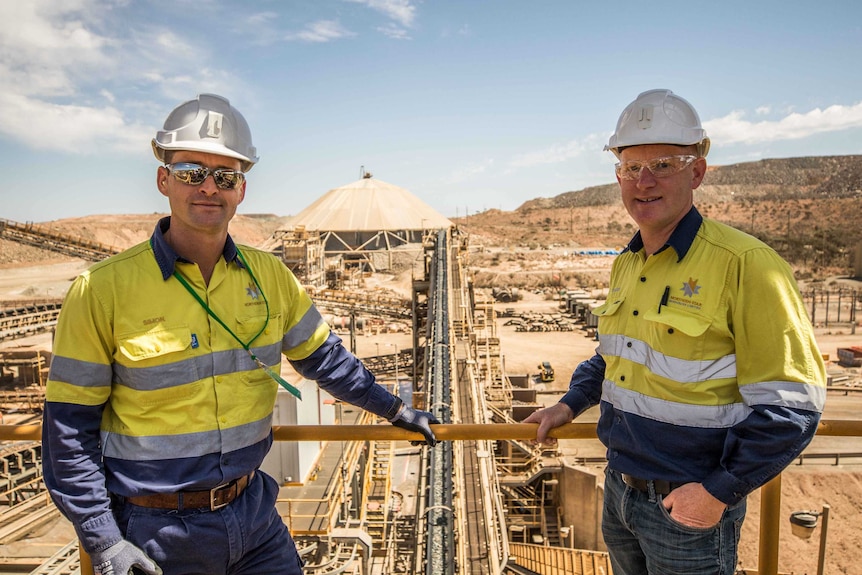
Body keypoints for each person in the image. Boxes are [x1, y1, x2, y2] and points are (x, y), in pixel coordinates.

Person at [41, 93, 439, 575]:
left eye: (225, 176)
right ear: (163, 179)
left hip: (253, 517)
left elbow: (324, 360)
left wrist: (395, 408)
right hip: (154, 532)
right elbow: (68, 430)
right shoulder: (102, 291)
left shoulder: (271, 277)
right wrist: (104, 543)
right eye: (192, 172)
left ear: (241, 190)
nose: (209, 187)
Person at [524, 89, 826, 575]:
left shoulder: (746, 265)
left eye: (663, 164)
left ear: (698, 172)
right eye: (630, 168)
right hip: (620, 495)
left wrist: (717, 493)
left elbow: (794, 404)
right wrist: (569, 403)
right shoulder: (628, 263)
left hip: (688, 510)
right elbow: (614, 357)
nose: (644, 182)